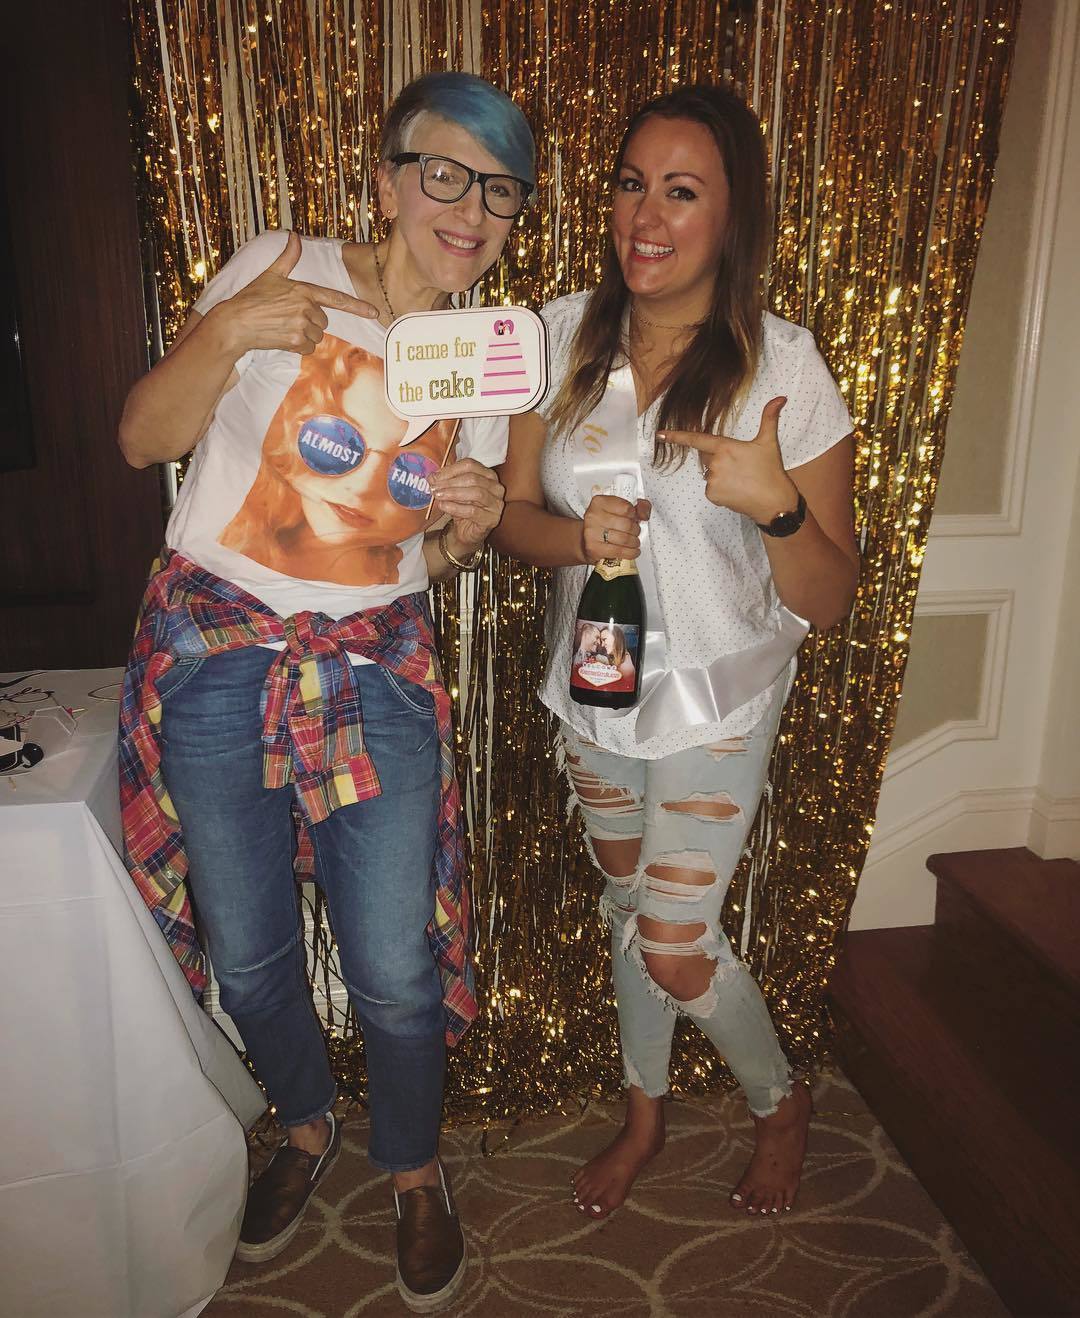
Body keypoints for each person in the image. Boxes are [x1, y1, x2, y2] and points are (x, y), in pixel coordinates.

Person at [117, 71, 535, 1312]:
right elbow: (144, 437)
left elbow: (431, 557)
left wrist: (472, 524)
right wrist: (228, 331)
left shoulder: (484, 357)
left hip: (372, 662)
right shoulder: (280, 263)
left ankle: (411, 1165)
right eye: (444, 173)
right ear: (387, 180)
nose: (469, 209)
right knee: (249, 955)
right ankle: (304, 1123)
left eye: (499, 190)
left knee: (393, 962)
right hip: (218, 653)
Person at [492, 82, 858, 1222]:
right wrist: (574, 536)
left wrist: (779, 507)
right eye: (630, 183)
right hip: (594, 692)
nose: (645, 216)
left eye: (682, 191)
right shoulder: (556, 335)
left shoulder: (782, 366)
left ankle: (778, 1100)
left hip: (716, 695)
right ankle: (644, 1111)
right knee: (626, 910)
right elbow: (511, 517)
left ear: (732, 213)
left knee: (674, 940)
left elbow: (831, 597)